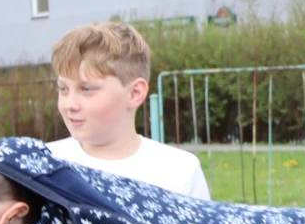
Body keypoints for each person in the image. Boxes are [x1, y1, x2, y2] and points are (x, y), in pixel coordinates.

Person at [49, 21, 209, 198]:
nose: (70, 104)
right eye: (63, 89)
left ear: (135, 93)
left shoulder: (179, 172)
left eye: (87, 89)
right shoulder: (43, 165)